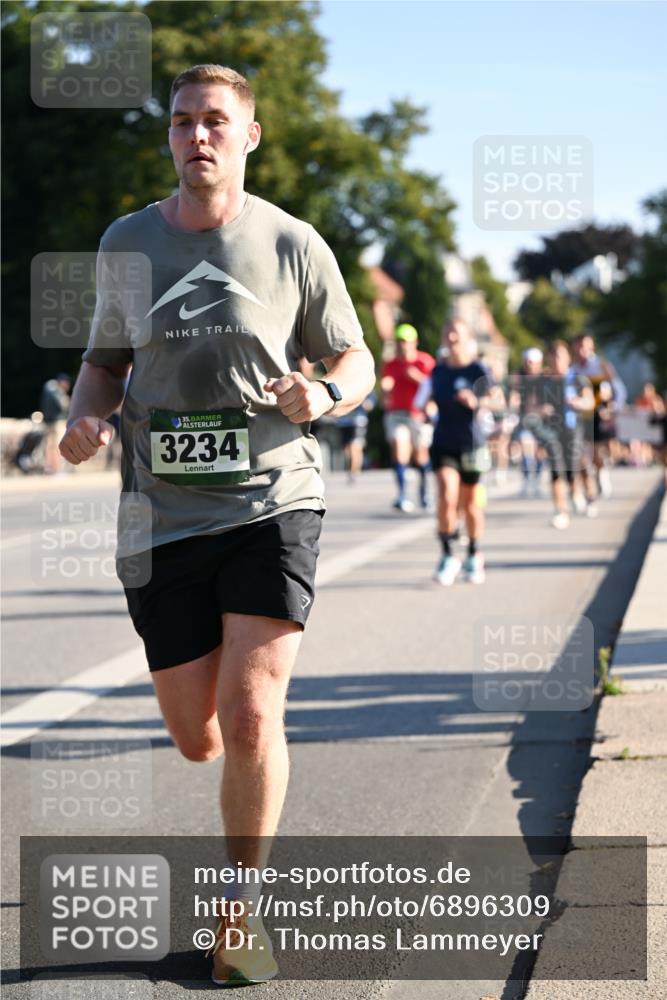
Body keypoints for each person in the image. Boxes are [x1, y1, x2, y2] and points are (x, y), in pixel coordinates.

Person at [59, 63, 375, 986]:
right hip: (160, 515)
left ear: (248, 136)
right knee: (196, 733)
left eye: (215, 122)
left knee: (248, 714)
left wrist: (319, 390)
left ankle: (240, 913)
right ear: (169, 135)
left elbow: (353, 356)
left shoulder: (292, 244)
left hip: (273, 497)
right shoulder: (127, 241)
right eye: (182, 121)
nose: (197, 135)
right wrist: (85, 417)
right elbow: (104, 365)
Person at [415, 319, 493, 585]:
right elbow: (426, 402)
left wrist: (476, 401)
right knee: (447, 495)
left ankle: (473, 553)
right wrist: (428, 411)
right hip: (443, 441)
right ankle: (448, 554)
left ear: (467, 337)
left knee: (470, 504)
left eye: (456, 331)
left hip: (472, 443)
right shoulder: (438, 372)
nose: (450, 336)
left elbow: (495, 398)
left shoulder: (477, 369)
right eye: (446, 331)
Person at [532, 341, 595, 528]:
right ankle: (561, 510)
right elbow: (531, 407)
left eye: (559, 356)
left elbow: (590, 402)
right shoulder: (543, 382)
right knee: (556, 471)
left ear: (568, 357)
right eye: (552, 356)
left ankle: (587, 495)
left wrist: (579, 403)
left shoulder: (577, 379)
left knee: (576, 466)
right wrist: (540, 410)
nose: (556, 360)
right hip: (552, 432)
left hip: (574, 429)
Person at [380, 323, 435, 512]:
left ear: (414, 342)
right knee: (399, 448)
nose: (403, 345)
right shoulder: (391, 363)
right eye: (400, 341)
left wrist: (417, 377)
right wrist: (385, 388)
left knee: (420, 457)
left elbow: (433, 387)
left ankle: (424, 491)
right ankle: (402, 495)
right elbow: (386, 384)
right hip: (397, 413)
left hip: (418, 414)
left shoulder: (424, 361)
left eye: (406, 341)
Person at [569, 333, 626, 499]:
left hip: (599, 412)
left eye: (585, 345)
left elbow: (619, 390)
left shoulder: (602, 366)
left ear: (591, 347)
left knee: (598, 449)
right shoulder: (573, 369)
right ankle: (588, 481)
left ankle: (601, 472)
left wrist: (614, 408)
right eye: (579, 346)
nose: (582, 350)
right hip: (580, 414)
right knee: (582, 451)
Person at [509, 348, 546, 498]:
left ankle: (537, 479)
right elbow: (514, 394)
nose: (529, 365)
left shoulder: (545, 377)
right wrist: (513, 406)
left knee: (540, 452)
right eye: (527, 362)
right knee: (525, 446)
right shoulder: (518, 376)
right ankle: (526, 480)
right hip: (524, 419)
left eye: (532, 362)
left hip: (542, 420)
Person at [336, 392, 375, 482]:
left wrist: (366, 403)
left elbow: (370, 403)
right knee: (346, 449)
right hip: (344, 421)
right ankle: (353, 469)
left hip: (358, 420)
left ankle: (353, 472)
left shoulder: (363, 381)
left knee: (355, 446)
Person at [39, 372, 71, 473]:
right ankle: (57, 468)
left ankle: (50, 467)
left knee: (49, 445)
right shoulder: (56, 391)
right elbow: (64, 406)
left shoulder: (47, 389)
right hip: (57, 421)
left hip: (47, 421)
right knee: (57, 445)